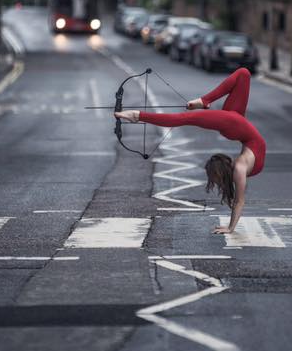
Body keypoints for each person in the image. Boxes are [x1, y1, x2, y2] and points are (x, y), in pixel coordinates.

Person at [114, 68, 265, 234]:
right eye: (214, 177)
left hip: (238, 124)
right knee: (184, 119)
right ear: (221, 172)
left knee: (244, 73)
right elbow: (239, 201)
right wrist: (231, 228)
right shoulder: (239, 170)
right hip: (235, 125)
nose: (214, 181)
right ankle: (137, 115)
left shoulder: (239, 168)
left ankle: (201, 102)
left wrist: (230, 227)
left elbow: (238, 200)